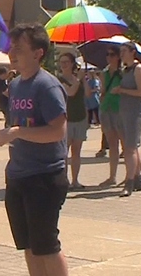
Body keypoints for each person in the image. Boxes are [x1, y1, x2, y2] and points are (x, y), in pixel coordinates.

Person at [0, 23, 69, 276]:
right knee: (27, 245)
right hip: (18, 175)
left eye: (19, 48)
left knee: (46, 246)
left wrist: (17, 133)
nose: (12, 53)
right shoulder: (15, 86)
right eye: (11, 47)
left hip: (45, 176)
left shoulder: (47, 86)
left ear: (37, 53)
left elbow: (58, 131)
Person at [113, 41, 141, 197]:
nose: (122, 54)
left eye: (124, 51)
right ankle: (137, 177)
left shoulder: (138, 68)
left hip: (134, 112)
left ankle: (129, 181)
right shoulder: (125, 70)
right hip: (123, 111)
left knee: (130, 148)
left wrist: (122, 90)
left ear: (133, 52)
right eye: (121, 52)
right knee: (129, 146)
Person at [57, 53, 90, 190]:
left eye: (66, 62)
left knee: (76, 151)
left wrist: (84, 80)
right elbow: (70, 92)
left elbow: (87, 94)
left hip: (80, 117)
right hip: (66, 119)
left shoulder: (79, 79)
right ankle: (63, 180)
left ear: (72, 64)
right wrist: (78, 80)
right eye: (61, 62)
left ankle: (75, 180)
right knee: (64, 152)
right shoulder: (59, 80)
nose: (64, 65)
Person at [98, 46, 123, 187]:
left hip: (118, 109)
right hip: (106, 108)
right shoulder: (104, 72)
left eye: (112, 55)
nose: (109, 57)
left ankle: (130, 176)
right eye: (107, 55)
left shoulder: (123, 72)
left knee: (125, 143)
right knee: (112, 144)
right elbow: (102, 90)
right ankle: (112, 176)